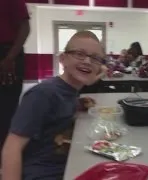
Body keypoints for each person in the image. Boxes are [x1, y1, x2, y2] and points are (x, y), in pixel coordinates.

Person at [1, 31, 107, 180]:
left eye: (95, 58)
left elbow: (58, 113)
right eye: (79, 54)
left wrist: (79, 103)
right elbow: (12, 148)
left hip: (67, 166)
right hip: (43, 174)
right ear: (63, 59)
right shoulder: (43, 94)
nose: (88, 62)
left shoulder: (70, 91)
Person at [0, 0, 30, 165]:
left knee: (6, 110)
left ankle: (7, 159)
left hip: (7, 53)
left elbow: (25, 28)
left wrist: (10, 58)